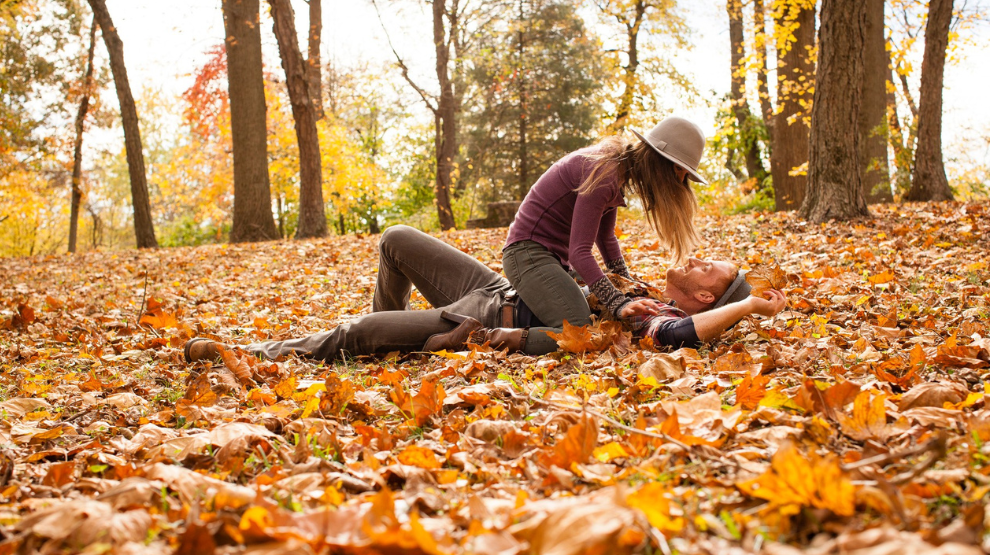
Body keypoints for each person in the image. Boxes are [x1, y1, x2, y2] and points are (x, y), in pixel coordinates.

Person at [184, 226, 786, 364]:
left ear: (706, 299)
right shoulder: (638, 291)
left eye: (710, 268)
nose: (697, 258)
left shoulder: (654, 325)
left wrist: (752, 305)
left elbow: (684, 338)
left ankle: (250, 352)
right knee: (396, 239)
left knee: (356, 335)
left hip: (483, 315)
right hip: (494, 283)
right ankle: (391, 329)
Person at [502, 116, 709, 342]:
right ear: (660, 161)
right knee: (580, 333)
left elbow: (606, 237)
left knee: (593, 309)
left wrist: (628, 284)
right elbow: (579, 253)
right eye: (680, 171)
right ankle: (486, 337)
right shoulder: (604, 173)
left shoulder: (617, 170)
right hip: (526, 255)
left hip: (549, 258)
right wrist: (619, 302)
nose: (680, 181)